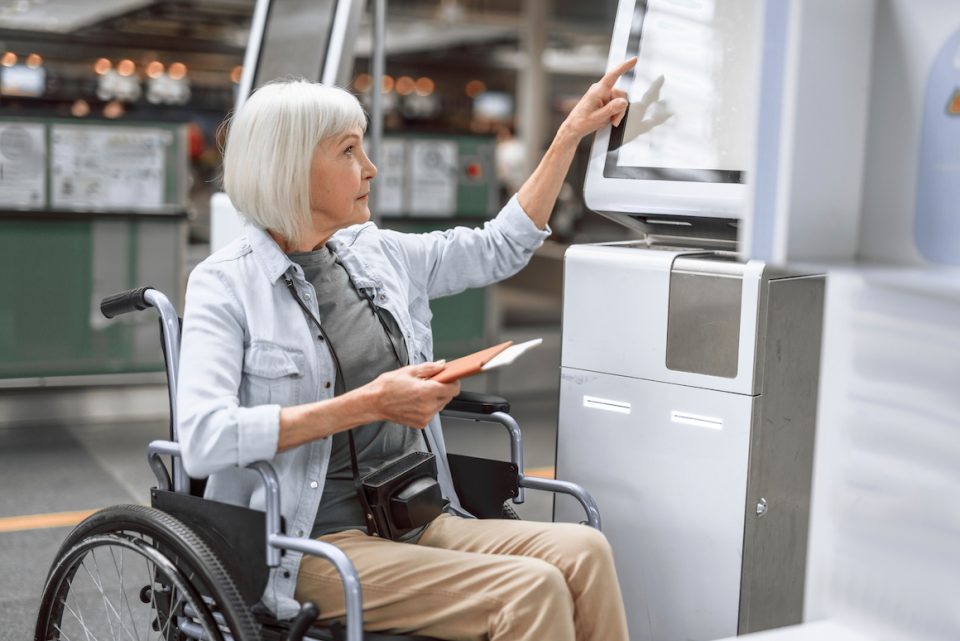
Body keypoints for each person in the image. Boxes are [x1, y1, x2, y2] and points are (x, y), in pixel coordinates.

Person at [177, 58, 637, 641]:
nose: (369, 168)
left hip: (413, 518)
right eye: (348, 152)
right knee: (530, 588)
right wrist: (370, 404)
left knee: (584, 551)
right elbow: (203, 439)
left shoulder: (374, 253)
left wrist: (570, 134)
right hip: (307, 547)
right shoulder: (226, 285)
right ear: (290, 169)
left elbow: (500, 246)